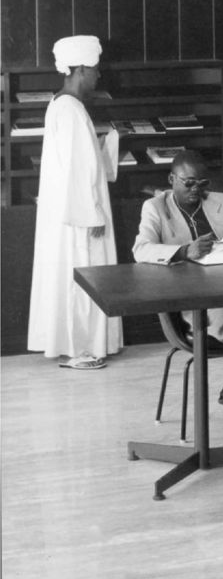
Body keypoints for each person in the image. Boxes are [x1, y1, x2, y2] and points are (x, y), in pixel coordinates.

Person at [132, 150, 223, 406]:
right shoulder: (155, 207)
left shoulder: (221, 202)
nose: (196, 190)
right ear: (172, 179)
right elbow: (141, 249)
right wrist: (184, 251)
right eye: (189, 183)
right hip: (194, 301)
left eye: (202, 183)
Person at [27, 35, 124, 370]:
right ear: (81, 69)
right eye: (95, 70)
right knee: (83, 272)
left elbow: (82, 160)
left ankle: (86, 344)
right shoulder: (69, 110)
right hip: (79, 214)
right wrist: (91, 214)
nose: (98, 77)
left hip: (73, 210)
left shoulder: (64, 106)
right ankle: (80, 348)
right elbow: (77, 170)